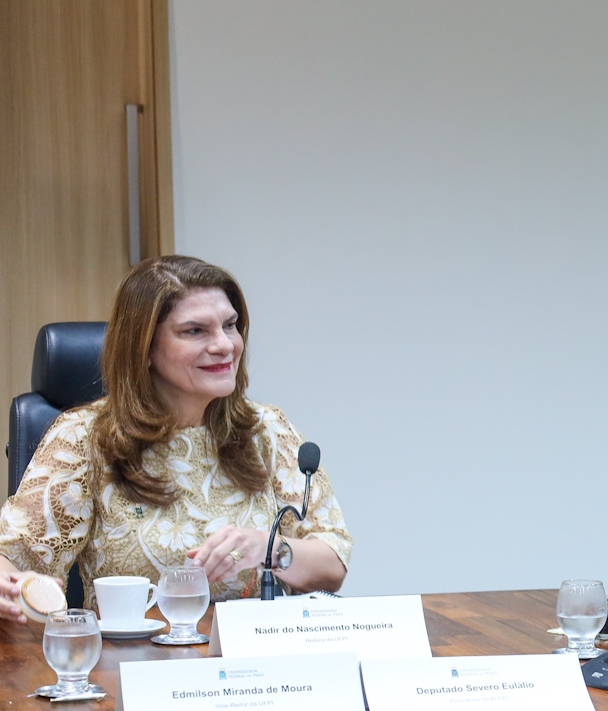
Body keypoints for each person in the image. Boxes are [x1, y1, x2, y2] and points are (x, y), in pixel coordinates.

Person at [0, 255, 350, 619]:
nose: (224, 345)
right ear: (145, 347)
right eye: (195, 331)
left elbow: (333, 562)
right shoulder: (86, 438)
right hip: (133, 652)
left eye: (230, 325)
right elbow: (11, 558)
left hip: (254, 650)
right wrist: (9, 586)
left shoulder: (266, 430)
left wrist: (270, 548)